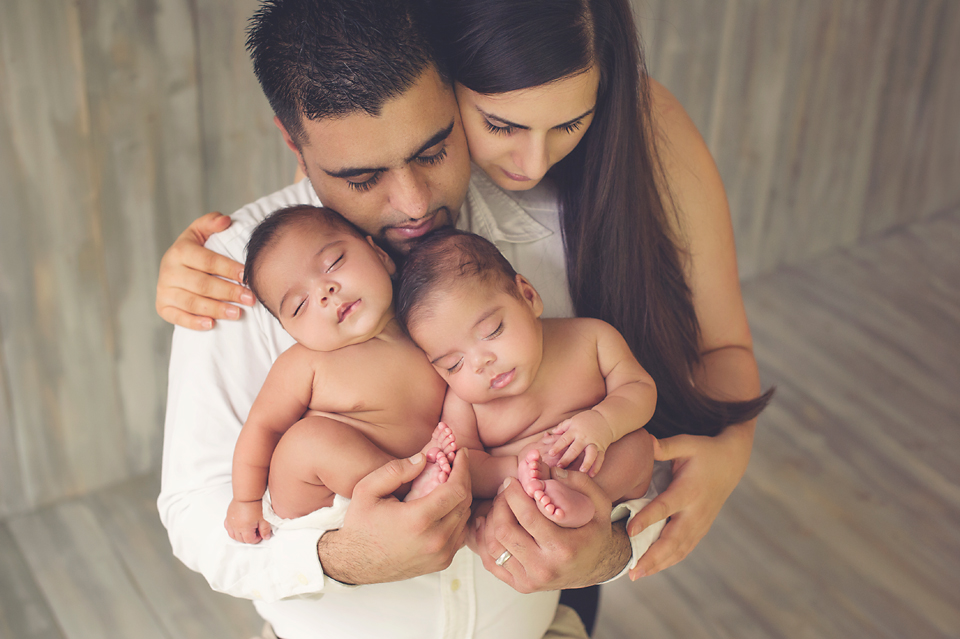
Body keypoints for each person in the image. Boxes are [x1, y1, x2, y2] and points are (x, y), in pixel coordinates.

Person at [156, 0, 773, 636]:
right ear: (294, 143)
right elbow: (194, 515)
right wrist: (343, 558)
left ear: (456, 91)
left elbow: (650, 441)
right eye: (363, 177)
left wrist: (608, 550)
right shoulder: (230, 273)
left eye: (433, 149)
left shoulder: (558, 220)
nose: (414, 203)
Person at [224, 205, 457, 545]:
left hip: (408, 489)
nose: (324, 292)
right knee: (309, 441)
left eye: (333, 263)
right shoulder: (306, 362)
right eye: (299, 305)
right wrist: (244, 502)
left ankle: (413, 487)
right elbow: (263, 427)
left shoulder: (427, 330)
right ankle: (407, 484)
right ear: (291, 331)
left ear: (380, 254)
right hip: (320, 499)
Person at [396, 228, 658, 530]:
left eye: (492, 330)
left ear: (528, 296)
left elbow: (639, 388)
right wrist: (518, 469)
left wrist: (604, 422)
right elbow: (466, 462)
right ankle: (548, 513)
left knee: (638, 446)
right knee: (474, 501)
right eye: (454, 364)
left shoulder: (591, 339)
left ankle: (584, 499)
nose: (481, 363)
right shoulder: (464, 402)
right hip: (520, 493)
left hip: (598, 466)